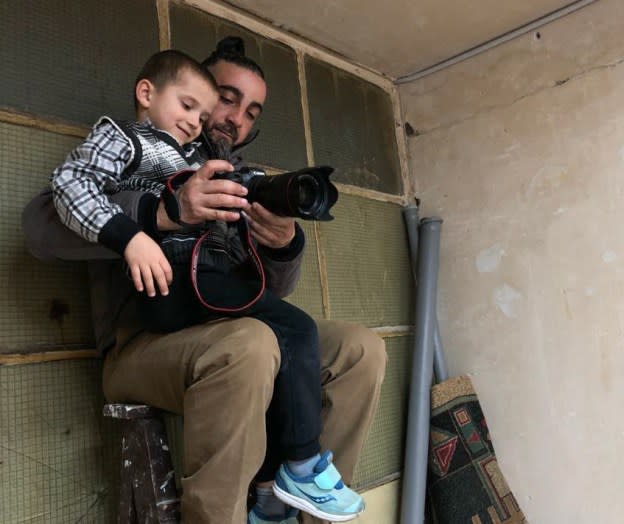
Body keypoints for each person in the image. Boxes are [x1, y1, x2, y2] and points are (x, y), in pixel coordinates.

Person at [24, 37, 386, 524]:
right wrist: (162, 213)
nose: (233, 117)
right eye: (225, 97)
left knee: (359, 349)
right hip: (143, 341)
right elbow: (41, 225)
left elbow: (267, 297)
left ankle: (297, 504)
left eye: (252, 111)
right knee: (253, 343)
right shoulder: (137, 150)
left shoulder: (231, 177)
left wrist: (282, 244)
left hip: (222, 320)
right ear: (171, 87)